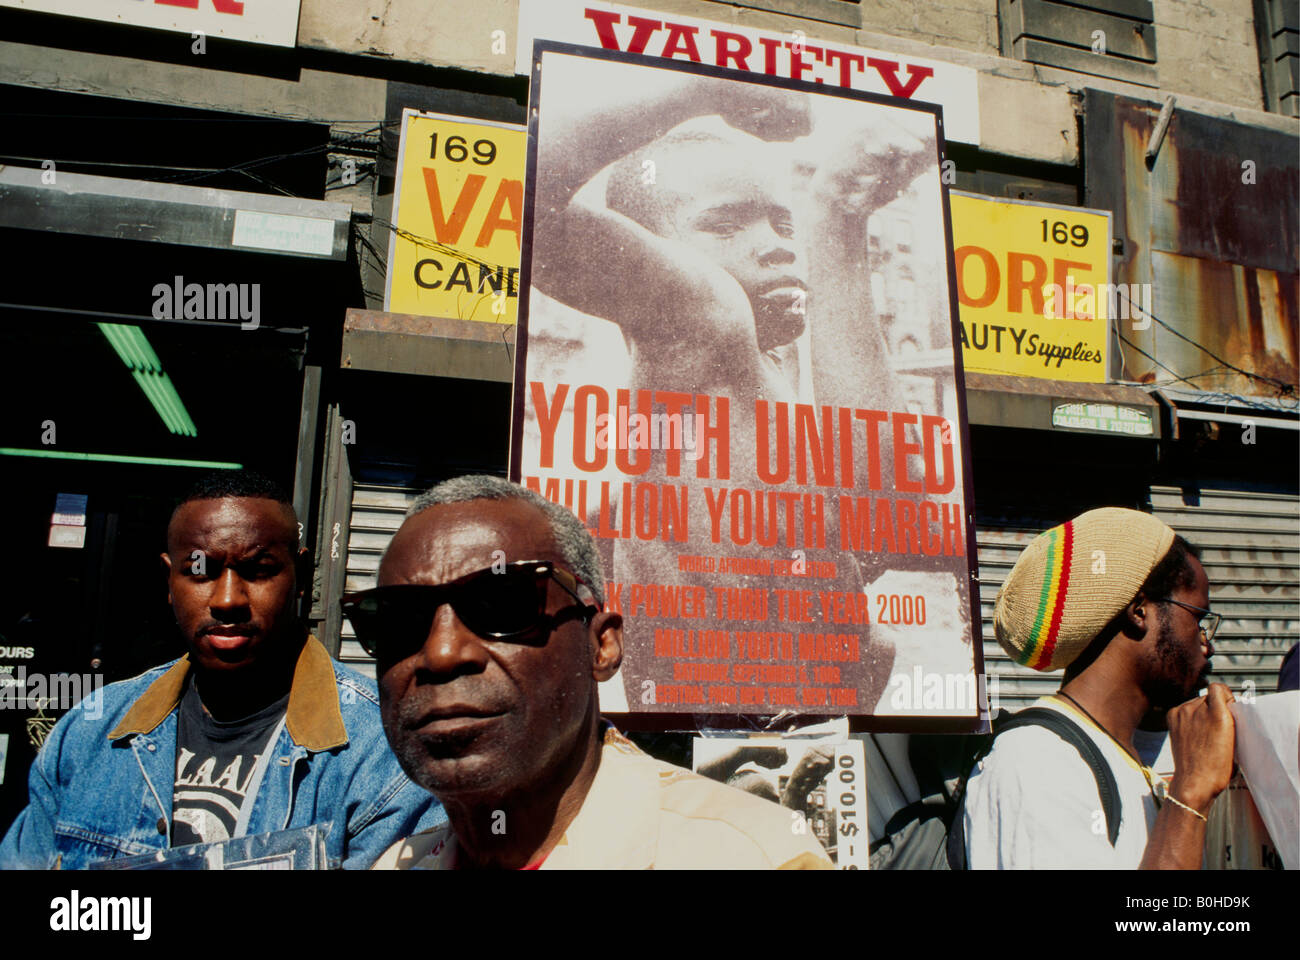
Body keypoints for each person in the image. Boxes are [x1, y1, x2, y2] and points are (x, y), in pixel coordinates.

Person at [531, 70, 939, 713]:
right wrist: (699, 93)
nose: (776, 246)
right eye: (727, 224)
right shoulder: (704, 312)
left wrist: (839, 215)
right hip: (725, 722)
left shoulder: (769, 380)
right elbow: (527, 196)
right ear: (645, 248)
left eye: (783, 223)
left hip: (782, 722)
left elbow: (885, 504)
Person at [354, 474, 831, 869]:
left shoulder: (751, 855)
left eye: (501, 604)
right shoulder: (396, 864)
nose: (440, 653)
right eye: (398, 620)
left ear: (601, 645)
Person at [0, 471, 443, 869]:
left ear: (302, 574)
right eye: (201, 571)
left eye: (259, 570)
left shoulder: (384, 754)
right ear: (168, 581)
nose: (228, 599)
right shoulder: (90, 732)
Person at [963, 507, 1236, 869]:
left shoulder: (1122, 757)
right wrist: (1191, 793)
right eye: (1198, 618)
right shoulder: (1039, 761)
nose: (1207, 644)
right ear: (1140, 611)